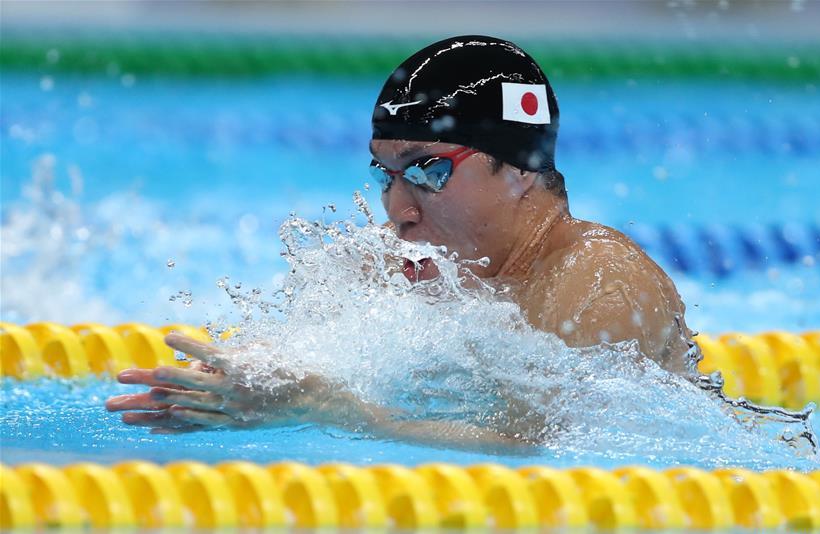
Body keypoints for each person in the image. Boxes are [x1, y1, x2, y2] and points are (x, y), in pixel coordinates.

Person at [107, 36, 697, 449]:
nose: (398, 209)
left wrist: (333, 410)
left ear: (520, 168)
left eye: (428, 171)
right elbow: (307, 363)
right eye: (385, 176)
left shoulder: (600, 283)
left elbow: (537, 454)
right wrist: (243, 386)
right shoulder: (405, 263)